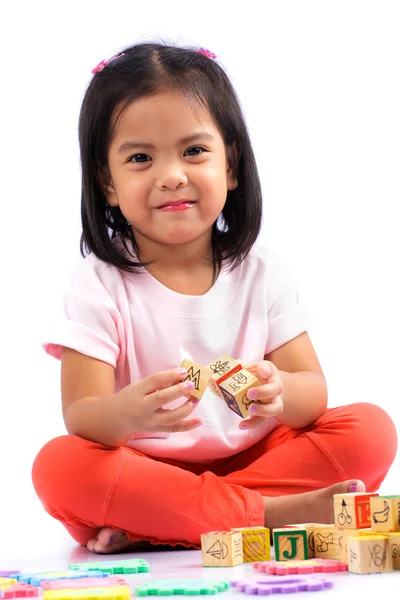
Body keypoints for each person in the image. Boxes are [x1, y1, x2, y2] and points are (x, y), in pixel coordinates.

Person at [32, 41, 397, 555]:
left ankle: (169, 525)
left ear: (230, 166)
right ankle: (269, 515)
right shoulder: (98, 283)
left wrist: (279, 391)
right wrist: (127, 414)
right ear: (107, 183)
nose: (172, 175)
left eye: (194, 151)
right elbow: (82, 415)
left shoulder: (261, 272)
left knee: (370, 430)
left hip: (258, 461)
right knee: (60, 467)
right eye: (140, 158)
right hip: (147, 471)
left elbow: (313, 395)